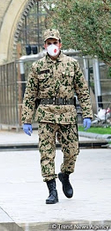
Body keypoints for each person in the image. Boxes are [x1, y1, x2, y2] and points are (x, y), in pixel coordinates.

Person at [21, 29, 92, 205]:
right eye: (48, 42)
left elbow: (82, 90)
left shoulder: (72, 64)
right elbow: (30, 94)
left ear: (60, 44)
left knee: (72, 151)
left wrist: (87, 114)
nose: (52, 45)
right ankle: (52, 190)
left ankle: (65, 175)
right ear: (44, 45)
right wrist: (26, 119)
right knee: (46, 154)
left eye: (55, 42)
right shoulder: (37, 67)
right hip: (46, 115)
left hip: (67, 114)